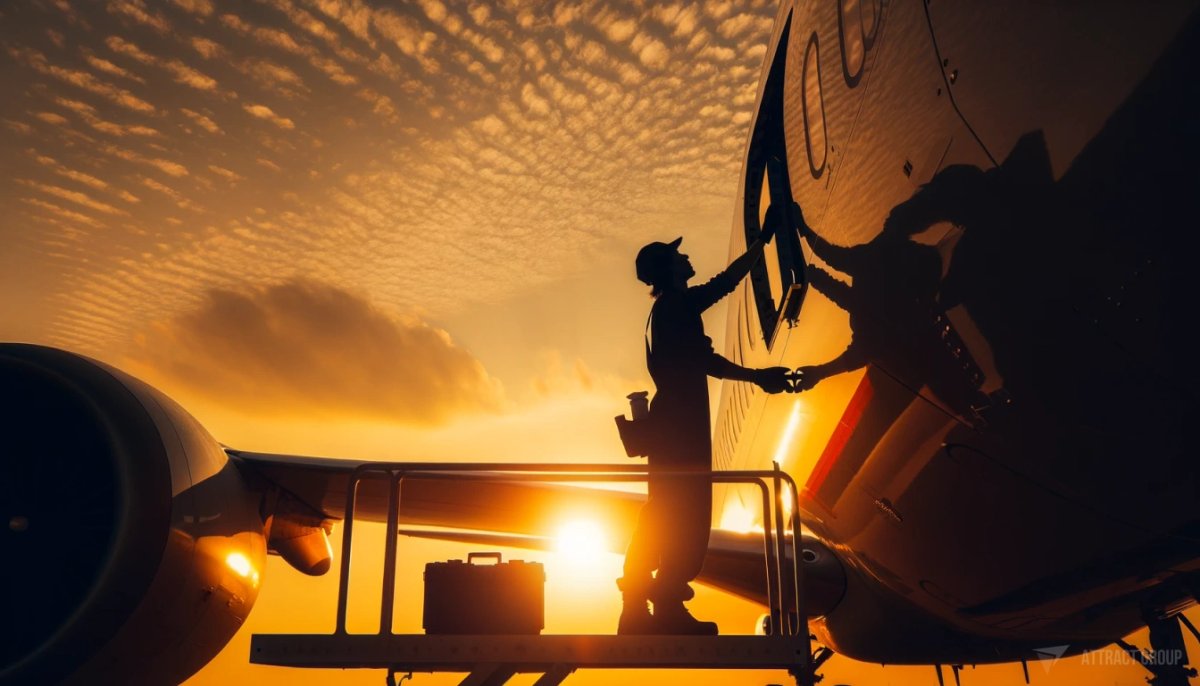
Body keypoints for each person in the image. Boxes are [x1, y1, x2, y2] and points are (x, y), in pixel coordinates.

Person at [618, 224, 791, 635]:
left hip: (673, 429)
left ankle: (643, 608)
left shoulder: (670, 307)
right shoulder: (676, 306)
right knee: (683, 518)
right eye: (678, 256)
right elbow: (707, 353)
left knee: (662, 515)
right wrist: (758, 376)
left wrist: (761, 243)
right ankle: (660, 605)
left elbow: (722, 289)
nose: (686, 257)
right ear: (670, 269)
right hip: (681, 431)